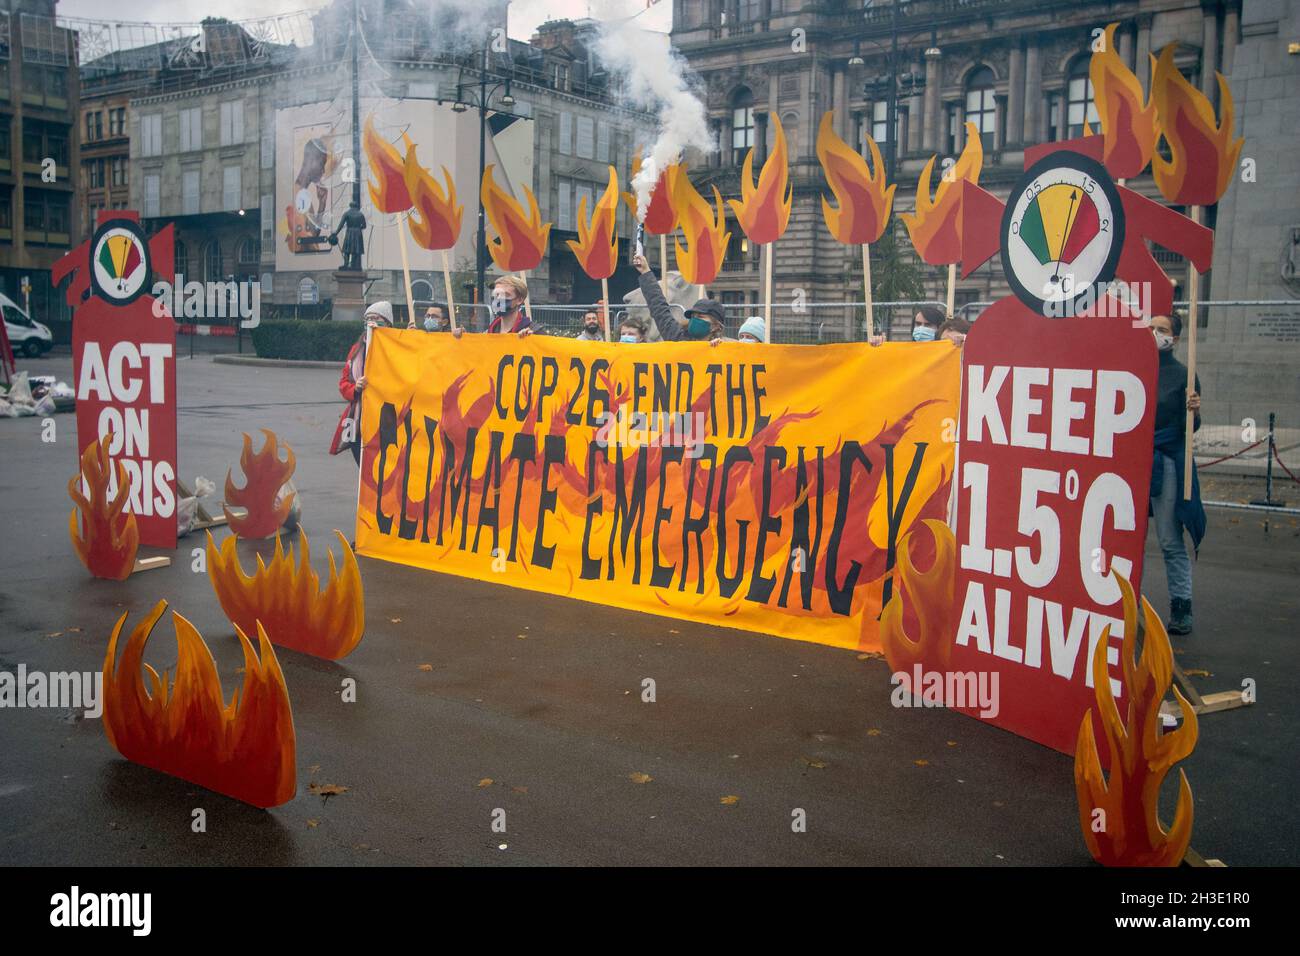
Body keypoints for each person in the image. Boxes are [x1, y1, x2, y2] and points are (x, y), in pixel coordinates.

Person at [1148, 312, 1205, 635]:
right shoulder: (1133, 365)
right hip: (1133, 460)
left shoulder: (1185, 375)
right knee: (1128, 536)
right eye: (1152, 328)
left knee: (1169, 539)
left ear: (1176, 338)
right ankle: (1123, 603)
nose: (1156, 333)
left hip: (1165, 459)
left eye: (1163, 330)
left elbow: (1190, 429)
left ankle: (1181, 607)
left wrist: (1194, 412)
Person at [330, 301, 393, 466]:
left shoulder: (396, 348)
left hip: (386, 420)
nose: (371, 322)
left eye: (376, 317)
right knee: (363, 470)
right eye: (367, 318)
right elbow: (344, 383)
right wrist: (355, 388)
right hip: (359, 420)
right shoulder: (356, 350)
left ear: (387, 323)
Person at [632, 253, 725, 343]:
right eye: (693, 317)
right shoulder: (678, 339)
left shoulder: (724, 349)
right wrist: (645, 272)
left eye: (700, 317)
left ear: (715, 326)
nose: (694, 320)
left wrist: (718, 350)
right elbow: (659, 310)